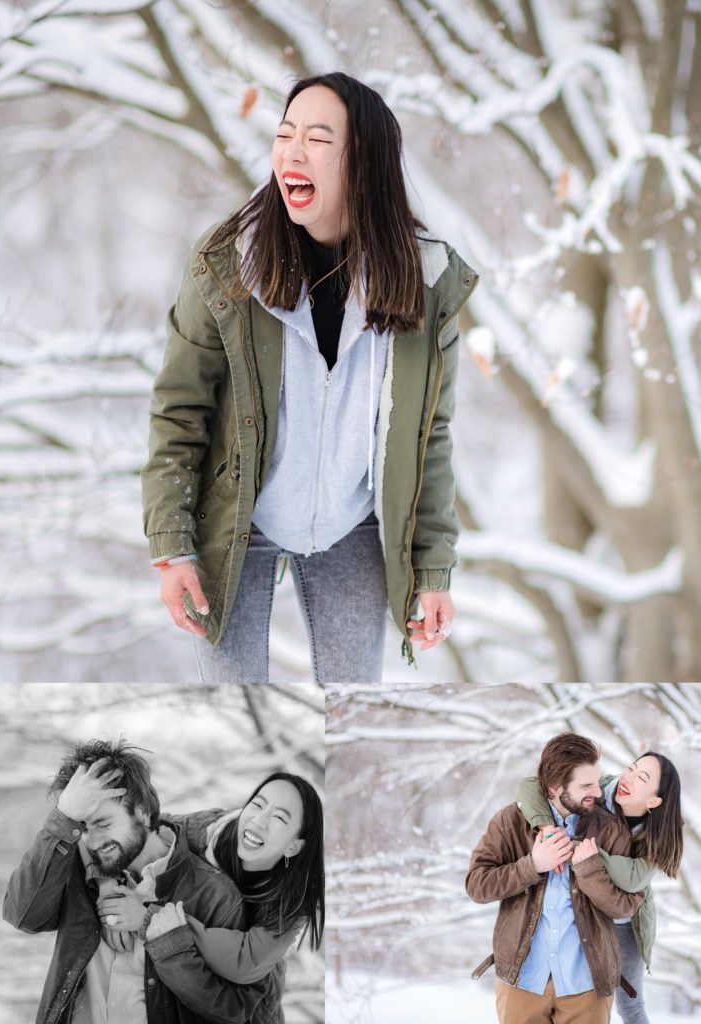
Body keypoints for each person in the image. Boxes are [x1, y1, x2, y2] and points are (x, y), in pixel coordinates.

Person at [141, 71, 478, 682]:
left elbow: (430, 440)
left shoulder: (426, 283)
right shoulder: (228, 268)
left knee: (353, 696)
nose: (292, 151)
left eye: (318, 140)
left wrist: (433, 572)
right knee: (232, 695)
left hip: (355, 527)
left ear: (364, 164)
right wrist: (173, 549)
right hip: (240, 520)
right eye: (285, 133)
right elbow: (178, 410)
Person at [3, 739, 272, 1024]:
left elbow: (235, 1010)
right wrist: (64, 818)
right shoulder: (75, 867)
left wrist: (158, 933)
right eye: (81, 827)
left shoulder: (212, 893)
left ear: (142, 812)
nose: (93, 841)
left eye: (104, 824)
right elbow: (22, 916)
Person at [465, 733, 645, 1024]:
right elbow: (476, 885)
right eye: (585, 786)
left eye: (596, 782)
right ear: (554, 788)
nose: (597, 793)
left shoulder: (611, 830)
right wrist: (533, 865)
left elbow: (627, 906)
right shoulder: (510, 822)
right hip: (522, 981)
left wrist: (589, 871)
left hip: (587, 986)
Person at [515, 752, 683, 1024]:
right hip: (583, 908)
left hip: (624, 920)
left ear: (654, 801)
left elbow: (631, 879)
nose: (628, 778)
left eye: (642, 778)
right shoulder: (601, 789)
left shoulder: (661, 834)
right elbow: (529, 785)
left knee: (630, 1002)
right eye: (632, 768)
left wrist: (584, 850)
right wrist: (546, 827)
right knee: (571, 990)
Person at [147, 772, 325, 1007]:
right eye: (257, 804)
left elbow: (245, 960)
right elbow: (144, 830)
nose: (258, 820)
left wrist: (153, 921)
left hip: (252, 1006)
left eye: (280, 818)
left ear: (293, 846)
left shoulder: (295, 897)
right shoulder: (205, 831)